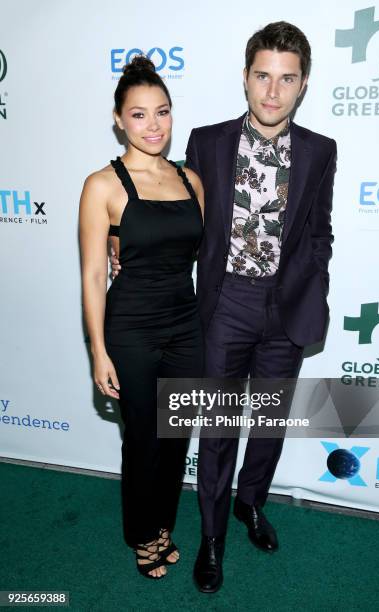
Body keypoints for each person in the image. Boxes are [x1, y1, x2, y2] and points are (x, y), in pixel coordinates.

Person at [111, 21, 336, 593]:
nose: (272, 91)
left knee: (266, 425)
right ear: (245, 77)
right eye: (262, 75)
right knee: (216, 429)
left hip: (287, 310)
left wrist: (313, 282)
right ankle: (212, 537)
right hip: (224, 304)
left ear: (302, 84)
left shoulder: (320, 151)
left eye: (286, 79)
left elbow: (319, 231)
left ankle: (251, 504)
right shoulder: (207, 143)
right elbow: (170, 204)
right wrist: (120, 237)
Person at [79, 55, 204, 580]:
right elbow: (91, 276)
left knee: (176, 435)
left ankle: (163, 528)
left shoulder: (190, 179)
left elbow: (195, 252)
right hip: (130, 329)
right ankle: (141, 534)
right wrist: (97, 351)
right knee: (144, 439)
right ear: (118, 118)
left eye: (163, 112)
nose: (153, 126)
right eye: (139, 115)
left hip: (186, 325)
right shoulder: (101, 185)